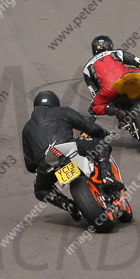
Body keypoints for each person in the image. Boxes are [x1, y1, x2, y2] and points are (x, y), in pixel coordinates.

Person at [22, 90, 122, 221]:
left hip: (47, 162)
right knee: (101, 146)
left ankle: (69, 205)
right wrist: (102, 133)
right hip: (66, 148)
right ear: (54, 103)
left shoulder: (27, 128)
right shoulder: (62, 111)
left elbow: (30, 165)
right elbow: (89, 127)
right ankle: (107, 177)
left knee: (40, 190)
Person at [83, 35, 140, 124]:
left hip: (109, 90)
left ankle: (116, 111)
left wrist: (107, 104)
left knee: (93, 108)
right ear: (109, 46)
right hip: (126, 78)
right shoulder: (116, 53)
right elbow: (137, 61)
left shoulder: (87, 68)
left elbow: (93, 92)